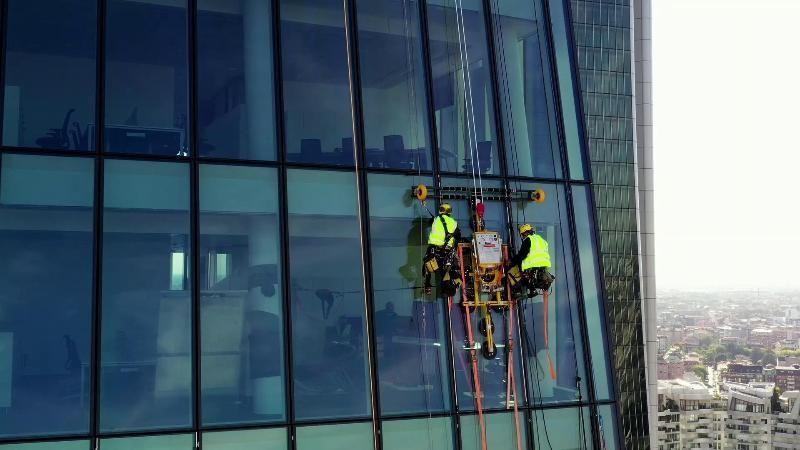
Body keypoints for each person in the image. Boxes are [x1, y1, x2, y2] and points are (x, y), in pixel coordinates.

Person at [423, 203, 461, 296]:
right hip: (447, 252)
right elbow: (458, 237)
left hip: (434, 250)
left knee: (428, 266)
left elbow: (431, 223)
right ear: (450, 212)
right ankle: (446, 287)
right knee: (447, 270)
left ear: (440, 210)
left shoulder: (435, 220)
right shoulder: (454, 223)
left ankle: (427, 285)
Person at [508, 223, 554, 297]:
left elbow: (521, 255)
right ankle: (531, 289)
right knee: (528, 279)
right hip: (543, 269)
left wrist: (511, 261)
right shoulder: (542, 240)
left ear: (526, 232)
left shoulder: (528, 240)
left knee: (512, 273)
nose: (523, 237)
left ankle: (526, 291)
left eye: (523, 235)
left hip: (532, 267)